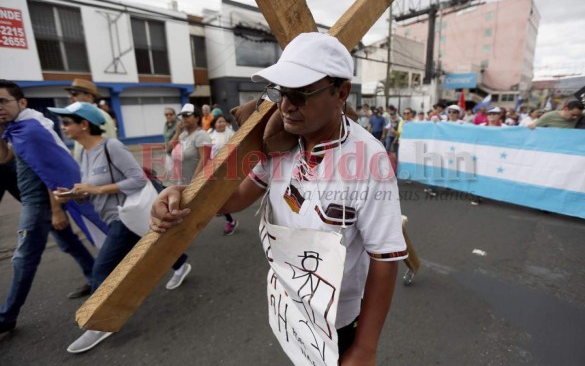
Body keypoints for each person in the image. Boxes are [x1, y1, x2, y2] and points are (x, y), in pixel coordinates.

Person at [150, 32, 407, 364]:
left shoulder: (370, 162)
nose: (285, 106)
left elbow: (385, 259)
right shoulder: (280, 143)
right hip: (287, 303)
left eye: (300, 95)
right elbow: (235, 198)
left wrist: (365, 347)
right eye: (281, 92)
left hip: (338, 319)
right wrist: (180, 195)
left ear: (341, 93)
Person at [47, 102, 192, 353]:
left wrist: (95, 189)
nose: (63, 127)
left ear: (84, 124)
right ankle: (181, 263)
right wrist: (73, 194)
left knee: (102, 269)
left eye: (67, 122)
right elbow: (90, 190)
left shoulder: (111, 146)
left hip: (124, 216)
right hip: (116, 217)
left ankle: (99, 323)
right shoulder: (83, 153)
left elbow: (137, 179)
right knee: (152, 245)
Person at [0, 80, 96, 334]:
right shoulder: (16, 127)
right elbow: (5, 158)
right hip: (35, 199)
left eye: (2, 101)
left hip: (40, 202)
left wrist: (55, 210)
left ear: (22, 103)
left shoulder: (31, 130)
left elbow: (49, 171)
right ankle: (97, 278)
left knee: (23, 259)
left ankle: (6, 316)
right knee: (69, 243)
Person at [65, 79, 117, 159]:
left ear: (89, 96)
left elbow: (103, 148)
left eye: (74, 94)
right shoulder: (81, 116)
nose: (70, 97)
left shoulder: (97, 116)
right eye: (69, 94)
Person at [208, 114, 239, 235]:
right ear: (214, 123)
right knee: (217, 196)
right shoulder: (210, 135)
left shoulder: (231, 134)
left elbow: (236, 149)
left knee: (220, 196)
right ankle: (228, 217)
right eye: (218, 122)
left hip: (227, 169)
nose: (221, 124)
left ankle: (230, 221)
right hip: (213, 168)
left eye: (223, 121)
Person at [169, 104, 211, 185]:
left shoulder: (201, 135)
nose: (184, 118)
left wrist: (193, 183)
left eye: (187, 116)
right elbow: (168, 149)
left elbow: (205, 159)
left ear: (197, 118)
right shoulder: (182, 135)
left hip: (195, 184)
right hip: (181, 183)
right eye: (183, 116)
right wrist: (177, 134)